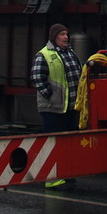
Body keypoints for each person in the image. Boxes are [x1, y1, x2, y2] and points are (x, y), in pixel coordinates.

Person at [31, 23, 83, 189]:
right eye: (62, 34)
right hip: (53, 108)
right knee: (53, 143)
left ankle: (66, 175)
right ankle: (52, 179)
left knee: (68, 144)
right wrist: (51, 96)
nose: (66, 37)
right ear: (54, 37)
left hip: (70, 108)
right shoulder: (44, 54)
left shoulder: (70, 53)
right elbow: (37, 77)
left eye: (67, 34)